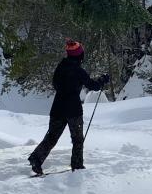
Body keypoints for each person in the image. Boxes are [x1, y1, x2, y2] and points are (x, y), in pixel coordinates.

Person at [28, 40, 109, 175]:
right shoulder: (78, 71)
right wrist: (103, 79)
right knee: (77, 140)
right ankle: (77, 167)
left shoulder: (60, 67)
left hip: (57, 108)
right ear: (79, 56)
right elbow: (93, 85)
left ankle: (36, 158)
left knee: (52, 137)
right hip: (73, 111)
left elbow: (55, 84)